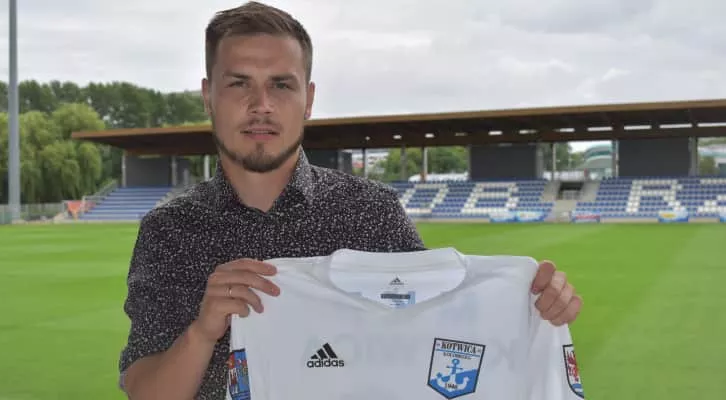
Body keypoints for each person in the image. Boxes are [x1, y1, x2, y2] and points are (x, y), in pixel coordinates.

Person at [118, 2, 583, 400]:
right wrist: (202, 332)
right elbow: (144, 390)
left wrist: (532, 305)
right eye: (239, 83)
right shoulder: (170, 230)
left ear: (308, 99)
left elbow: (444, 329)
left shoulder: (372, 212)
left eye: (281, 84)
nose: (261, 104)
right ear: (208, 96)